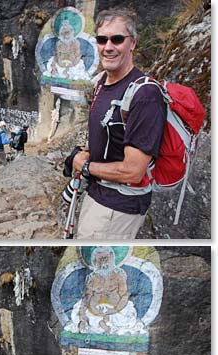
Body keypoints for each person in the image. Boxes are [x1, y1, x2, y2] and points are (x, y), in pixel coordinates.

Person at [72, 8, 166, 239]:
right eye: (102, 40)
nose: (108, 47)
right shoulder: (102, 83)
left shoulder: (145, 95)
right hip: (97, 196)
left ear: (132, 43)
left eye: (117, 39)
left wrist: (84, 166)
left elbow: (134, 171)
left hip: (117, 209)